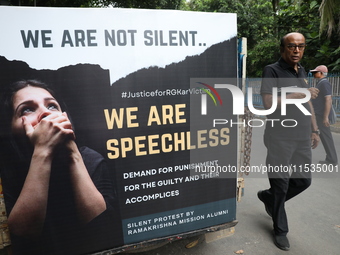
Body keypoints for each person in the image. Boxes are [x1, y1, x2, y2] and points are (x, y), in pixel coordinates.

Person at [0, 80, 121, 254]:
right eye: (27, 109)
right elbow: (22, 240)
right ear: (9, 128)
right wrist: (42, 151)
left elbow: (104, 233)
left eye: (52, 106)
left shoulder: (91, 160)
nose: (46, 114)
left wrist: (72, 152)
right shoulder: (6, 170)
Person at [258, 32, 320, 251]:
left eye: (301, 46)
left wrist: (315, 129)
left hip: (303, 136)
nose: (296, 50)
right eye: (292, 46)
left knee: (303, 181)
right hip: (280, 137)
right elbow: (267, 103)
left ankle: (268, 197)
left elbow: (309, 103)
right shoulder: (272, 70)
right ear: (282, 48)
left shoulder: (301, 70)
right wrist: (300, 93)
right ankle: (280, 230)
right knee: (281, 184)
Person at [310, 65, 338, 165]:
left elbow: (328, 99)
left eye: (315, 72)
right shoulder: (320, 83)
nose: (313, 74)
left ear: (321, 73)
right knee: (322, 135)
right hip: (318, 115)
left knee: (326, 137)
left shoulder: (324, 83)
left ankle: (332, 159)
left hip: (321, 115)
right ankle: (331, 158)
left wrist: (325, 117)